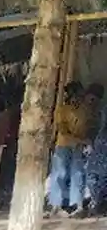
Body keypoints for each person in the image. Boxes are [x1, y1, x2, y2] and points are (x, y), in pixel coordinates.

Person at [48, 81, 93, 214]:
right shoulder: (61, 110)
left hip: (79, 146)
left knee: (77, 174)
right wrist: (82, 140)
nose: (79, 96)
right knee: (60, 174)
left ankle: (77, 205)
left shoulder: (84, 109)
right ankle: (56, 206)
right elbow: (63, 132)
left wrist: (85, 140)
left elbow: (88, 126)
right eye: (77, 93)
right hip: (63, 145)